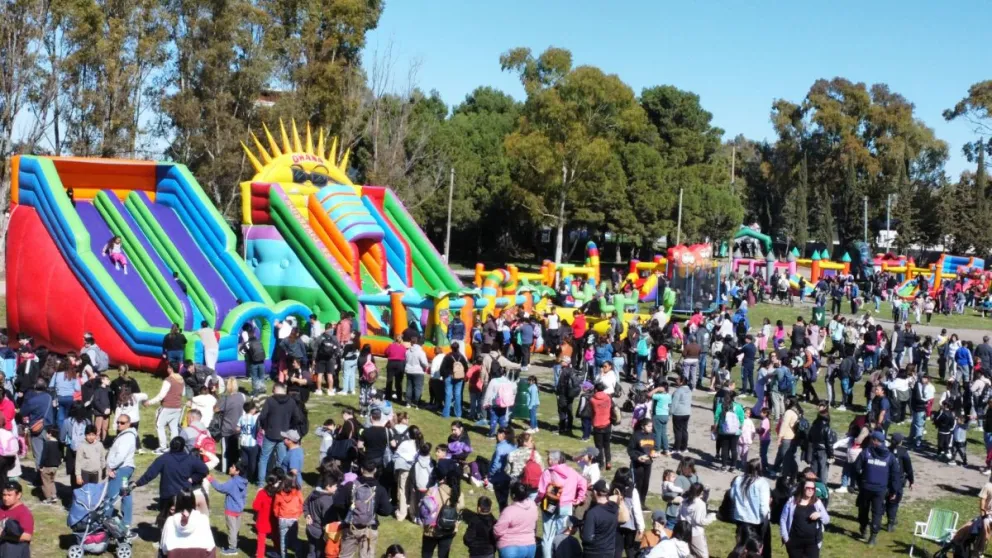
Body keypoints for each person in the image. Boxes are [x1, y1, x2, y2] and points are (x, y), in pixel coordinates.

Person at [133, 436, 209, 527]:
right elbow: (204, 470)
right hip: (184, 495)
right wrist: (193, 478)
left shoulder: (164, 459)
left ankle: (165, 536)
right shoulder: (191, 459)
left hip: (168, 494)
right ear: (183, 447)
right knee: (183, 518)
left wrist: (137, 483)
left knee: (166, 519)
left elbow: (150, 474)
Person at [336, 460, 393, 558]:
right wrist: (375, 509)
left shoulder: (350, 485)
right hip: (369, 530)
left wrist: (349, 510)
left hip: (351, 527)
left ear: (362, 470)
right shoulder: (380, 489)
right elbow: (387, 511)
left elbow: (338, 502)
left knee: (345, 556)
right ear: (375, 470)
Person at [537, 450, 588, 558]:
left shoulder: (548, 472)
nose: (547, 460)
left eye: (549, 458)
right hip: (566, 506)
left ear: (553, 460)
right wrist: (579, 498)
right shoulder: (571, 471)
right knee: (563, 534)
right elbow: (583, 482)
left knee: (548, 536)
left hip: (550, 505)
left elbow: (541, 491)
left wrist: (539, 500)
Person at [855, 431, 899, 546]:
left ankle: (863, 528)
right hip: (880, 489)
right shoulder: (890, 456)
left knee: (863, 509)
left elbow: (856, 468)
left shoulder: (866, 452)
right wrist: (894, 490)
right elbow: (895, 476)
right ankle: (873, 537)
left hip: (866, 487)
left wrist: (859, 482)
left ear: (874, 441)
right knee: (877, 513)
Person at [257, 384, 303, 484]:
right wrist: (289, 428)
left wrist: (265, 427)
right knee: (281, 460)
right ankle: (280, 481)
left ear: (275, 390)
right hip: (284, 435)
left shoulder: (270, 400)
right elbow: (297, 418)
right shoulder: (291, 401)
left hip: (270, 433)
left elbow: (262, 416)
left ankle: (261, 483)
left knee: (264, 458)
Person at [779, 478, 830, 558]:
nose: (810, 490)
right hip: (794, 542)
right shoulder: (792, 502)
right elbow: (783, 519)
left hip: (812, 543)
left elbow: (827, 519)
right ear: (802, 488)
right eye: (808, 488)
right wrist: (786, 538)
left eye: (813, 488)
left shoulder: (817, 502)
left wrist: (820, 514)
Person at [421, 466, 464, 558]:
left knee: (426, 554)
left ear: (445, 479)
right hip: (449, 530)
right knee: (444, 555)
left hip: (431, 530)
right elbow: (460, 512)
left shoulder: (433, 491)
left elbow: (423, 507)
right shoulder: (459, 496)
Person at [144, 360, 186, 454]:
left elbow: (161, 396)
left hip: (167, 407)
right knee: (173, 428)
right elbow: (183, 393)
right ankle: (174, 447)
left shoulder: (168, 380)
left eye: (168, 367)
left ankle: (163, 447)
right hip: (177, 407)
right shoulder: (181, 380)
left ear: (170, 369)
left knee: (160, 425)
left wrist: (149, 402)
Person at [159, 489, 216, 557]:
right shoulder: (203, 519)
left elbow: (163, 549)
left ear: (177, 503)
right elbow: (211, 548)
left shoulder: (170, 521)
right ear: (193, 501)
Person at [730, 458, 771, 552]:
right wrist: (766, 517)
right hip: (755, 521)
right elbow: (764, 506)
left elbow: (732, 496)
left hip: (740, 518)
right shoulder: (762, 483)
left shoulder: (738, 479)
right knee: (754, 546)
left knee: (741, 543)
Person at [210, 462, 249, 556]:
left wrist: (211, 479)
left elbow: (220, 488)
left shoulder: (233, 482)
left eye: (232, 467)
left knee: (231, 529)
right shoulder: (243, 481)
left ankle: (232, 548)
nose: (230, 468)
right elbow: (244, 496)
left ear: (237, 471)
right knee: (235, 528)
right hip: (239, 509)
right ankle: (235, 542)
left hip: (231, 509)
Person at [106, 414, 137, 527]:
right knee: (125, 493)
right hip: (126, 469)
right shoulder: (126, 435)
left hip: (121, 469)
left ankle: (105, 518)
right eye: (118, 422)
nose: (119, 424)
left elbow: (120, 456)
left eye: (122, 423)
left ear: (129, 424)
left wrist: (111, 467)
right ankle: (126, 521)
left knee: (111, 495)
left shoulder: (127, 437)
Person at [494, 481, 538, 558]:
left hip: (510, 548)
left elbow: (497, 531)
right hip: (530, 545)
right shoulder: (532, 505)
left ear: (513, 495)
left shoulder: (509, 511)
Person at [581, 480, 618, 558]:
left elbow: (587, 538)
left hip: (594, 552)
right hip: (609, 551)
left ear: (595, 492)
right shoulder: (614, 509)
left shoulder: (593, 513)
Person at [885, 433, 914, 532]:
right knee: (894, 502)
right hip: (898, 481)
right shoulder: (903, 452)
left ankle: (890, 519)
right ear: (901, 442)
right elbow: (908, 468)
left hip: (885, 480)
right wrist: (911, 480)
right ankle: (891, 522)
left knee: (887, 500)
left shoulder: (886, 451)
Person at [215, 378, 245, 472]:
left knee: (225, 450)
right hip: (238, 427)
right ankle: (235, 466)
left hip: (227, 428)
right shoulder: (241, 396)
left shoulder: (225, 399)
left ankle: (225, 469)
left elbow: (216, 409)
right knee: (235, 448)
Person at [678, 482, 715, 558]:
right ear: (701, 492)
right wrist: (712, 516)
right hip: (696, 532)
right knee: (703, 555)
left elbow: (679, 516)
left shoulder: (684, 501)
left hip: (684, 531)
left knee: (687, 552)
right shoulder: (700, 504)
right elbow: (700, 521)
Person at [274, 471, 303, 558]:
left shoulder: (279, 493)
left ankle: (284, 556)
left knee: (283, 541)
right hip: (293, 518)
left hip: (282, 519)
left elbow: (275, 507)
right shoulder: (298, 493)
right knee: (294, 539)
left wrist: (278, 515)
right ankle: (298, 554)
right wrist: (298, 513)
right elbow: (302, 504)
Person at [0, 481, 33, 557]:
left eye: (9, 495)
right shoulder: (2, 506)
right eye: (4, 495)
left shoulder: (24, 513)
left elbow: (27, 536)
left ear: (18, 495)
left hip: (15, 551)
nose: (5, 498)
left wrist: (2, 534)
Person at [251, 472, 279, 558]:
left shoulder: (262, 493)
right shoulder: (278, 493)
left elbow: (255, 507)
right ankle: (278, 552)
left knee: (261, 542)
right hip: (274, 521)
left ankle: (260, 556)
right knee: (276, 539)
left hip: (262, 521)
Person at [627, 420, 655, 504]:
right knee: (637, 484)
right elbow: (630, 450)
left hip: (648, 463)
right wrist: (637, 458)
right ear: (643, 426)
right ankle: (635, 503)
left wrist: (653, 454)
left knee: (645, 484)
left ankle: (642, 503)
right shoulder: (636, 436)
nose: (651, 428)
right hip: (637, 464)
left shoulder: (652, 435)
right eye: (649, 426)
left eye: (651, 426)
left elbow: (653, 448)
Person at [589, 383, 613, 470]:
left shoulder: (592, 400)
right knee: (607, 445)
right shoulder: (608, 398)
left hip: (597, 425)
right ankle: (608, 462)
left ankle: (600, 463)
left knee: (599, 446)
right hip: (607, 423)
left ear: (595, 389)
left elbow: (591, 412)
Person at [404, 336, 429, 407]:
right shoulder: (421, 352)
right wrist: (425, 366)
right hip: (418, 371)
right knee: (418, 387)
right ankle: (416, 402)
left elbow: (406, 360)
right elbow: (424, 363)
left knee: (409, 387)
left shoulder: (408, 351)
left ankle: (408, 402)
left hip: (409, 370)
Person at [671, 376, 692, 454]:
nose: (676, 380)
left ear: (682, 382)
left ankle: (677, 448)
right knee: (684, 430)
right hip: (687, 413)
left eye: (678, 379)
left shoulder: (678, 391)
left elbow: (674, 403)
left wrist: (671, 412)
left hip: (678, 413)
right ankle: (684, 447)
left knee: (678, 431)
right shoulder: (689, 390)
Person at [384, 336, 407, 404]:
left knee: (389, 380)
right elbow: (405, 355)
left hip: (391, 363)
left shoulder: (391, 345)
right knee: (399, 381)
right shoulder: (403, 347)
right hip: (400, 364)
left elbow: (386, 352)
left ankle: (388, 396)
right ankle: (399, 397)